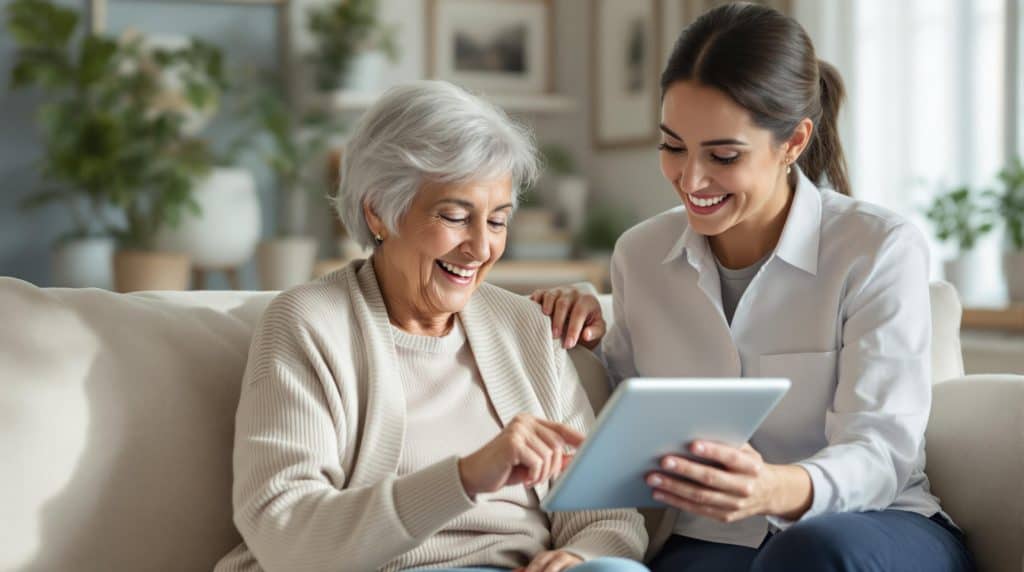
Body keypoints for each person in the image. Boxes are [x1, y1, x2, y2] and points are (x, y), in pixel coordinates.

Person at [531, 4, 975, 571]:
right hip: (712, 541)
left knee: (811, 552)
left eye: (723, 155)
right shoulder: (639, 256)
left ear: (793, 143)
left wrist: (776, 488)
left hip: (871, 526)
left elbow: (881, 453)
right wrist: (586, 330)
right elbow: (633, 424)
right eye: (673, 146)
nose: (690, 180)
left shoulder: (877, 248)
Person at [213, 81, 648, 572]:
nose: (481, 248)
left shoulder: (526, 328)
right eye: (456, 216)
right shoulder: (309, 324)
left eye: (498, 221)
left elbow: (608, 516)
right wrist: (463, 479)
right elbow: (283, 529)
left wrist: (577, 556)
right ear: (378, 209)